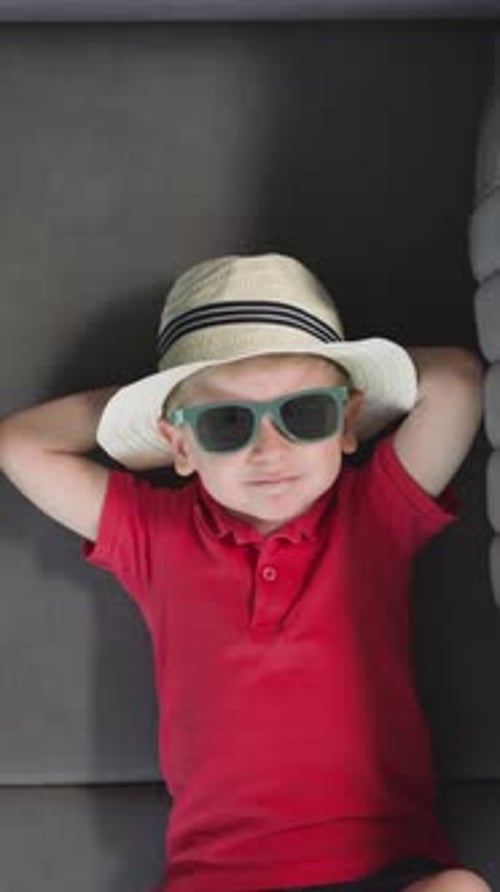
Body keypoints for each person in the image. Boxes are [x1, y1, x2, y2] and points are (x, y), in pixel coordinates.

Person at [0, 253, 490, 892]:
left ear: (346, 423)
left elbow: (457, 380)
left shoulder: (372, 516)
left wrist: (324, 389)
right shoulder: (159, 535)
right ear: (178, 445)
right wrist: (160, 402)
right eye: (227, 422)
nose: (270, 449)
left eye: (305, 413)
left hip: (387, 866)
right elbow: (20, 445)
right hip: (217, 878)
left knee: (460, 890)